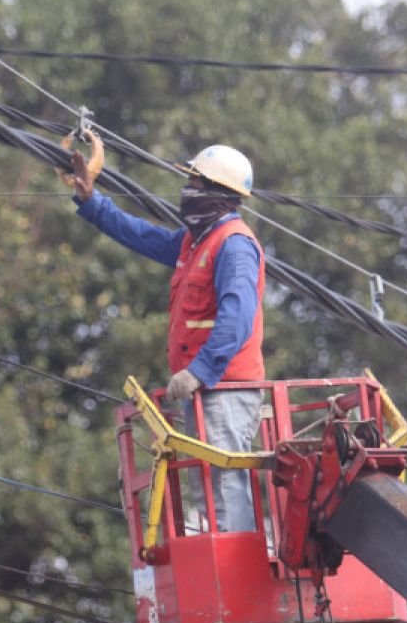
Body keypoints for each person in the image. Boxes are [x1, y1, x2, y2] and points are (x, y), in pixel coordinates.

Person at [69, 144, 265, 533]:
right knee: (207, 489)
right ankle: (224, 572)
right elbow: (140, 234)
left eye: (194, 181)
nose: (187, 189)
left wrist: (200, 370)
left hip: (224, 389)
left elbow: (238, 314)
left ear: (217, 192)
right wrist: (91, 200)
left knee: (223, 487)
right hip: (203, 389)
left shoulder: (234, 244)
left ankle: (237, 574)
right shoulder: (194, 242)